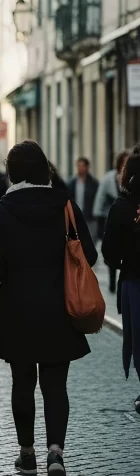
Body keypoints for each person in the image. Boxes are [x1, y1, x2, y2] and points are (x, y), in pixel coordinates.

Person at [0, 141, 94, 476]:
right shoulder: (65, 205)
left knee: (22, 382)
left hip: (16, 309)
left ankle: (27, 452)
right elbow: (88, 253)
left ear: (11, 172)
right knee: (55, 386)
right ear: (45, 169)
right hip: (60, 307)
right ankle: (56, 453)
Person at [101, 148, 140, 417]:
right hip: (133, 280)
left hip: (134, 280)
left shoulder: (122, 206)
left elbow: (109, 254)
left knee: (138, 338)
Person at [95, 151, 129, 295]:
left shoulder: (131, 178)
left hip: (126, 219)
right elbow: (100, 197)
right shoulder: (108, 178)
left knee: (124, 248)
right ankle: (112, 277)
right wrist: (97, 215)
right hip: (109, 217)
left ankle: (122, 276)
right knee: (113, 248)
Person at [66, 158, 99, 244]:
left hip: (90, 217)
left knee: (90, 241)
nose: (80, 168)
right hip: (75, 216)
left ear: (87, 167)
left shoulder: (94, 184)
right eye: (78, 166)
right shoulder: (71, 183)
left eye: (82, 166)